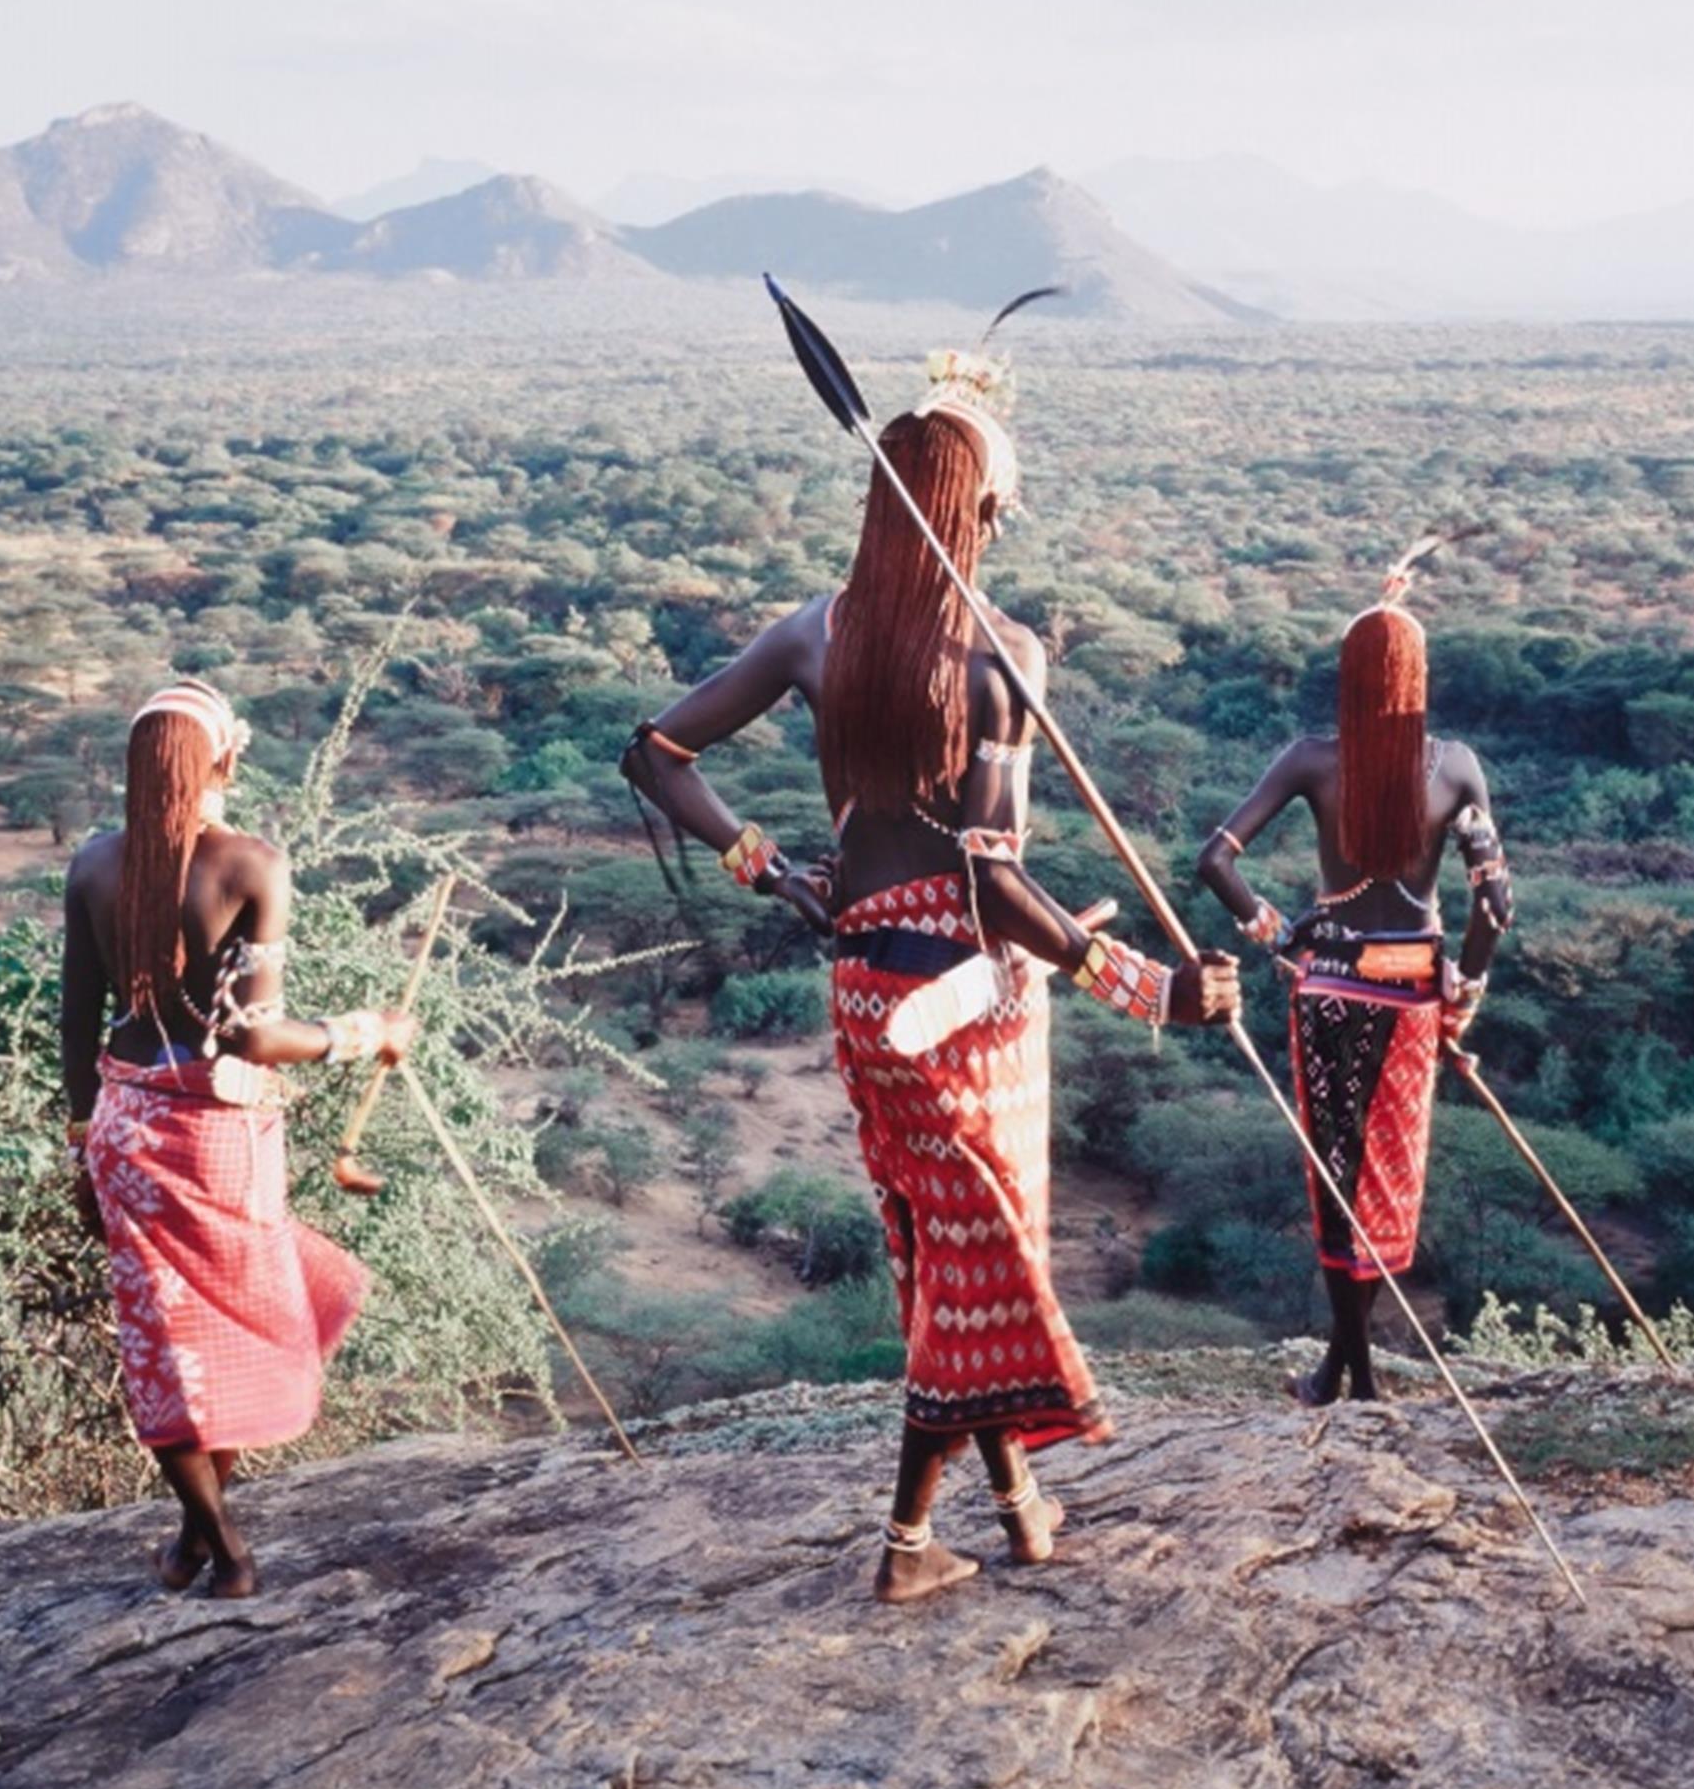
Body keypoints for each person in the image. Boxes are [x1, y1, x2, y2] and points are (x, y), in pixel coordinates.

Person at [621, 347, 1234, 1603]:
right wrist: (1144, 985)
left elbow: (657, 751)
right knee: (977, 1254)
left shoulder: (814, 632)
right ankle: (906, 1544)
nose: (1006, 521)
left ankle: (1014, 1500)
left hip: (863, 987)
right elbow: (995, 887)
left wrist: (771, 867)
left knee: (949, 1244)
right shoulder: (1001, 655)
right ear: (979, 508)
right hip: (970, 995)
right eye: (1001, 504)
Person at [61, 679, 414, 1598]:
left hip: (126, 1128)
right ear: (225, 761)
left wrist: (79, 1147)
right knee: (258, 1318)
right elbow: (256, 1037)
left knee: (171, 1342)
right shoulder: (250, 866)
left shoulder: (94, 865)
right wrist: (364, 1032)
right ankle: (228, 1553)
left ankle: (191, 1543)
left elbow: (75, 1026)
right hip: (224, 1135)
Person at [1196, 561, 1510, 1405]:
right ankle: (1355, 1369)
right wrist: (1463, 999)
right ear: (1417, 678)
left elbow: (1214, 859)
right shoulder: (1455, 768)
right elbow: (1496, 904)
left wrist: (1276, 933)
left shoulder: (1310, 759)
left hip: (1326, 990)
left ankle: (1346, 1366)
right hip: (1410, 998)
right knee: (1385, 1178)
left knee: (1334, 1173)